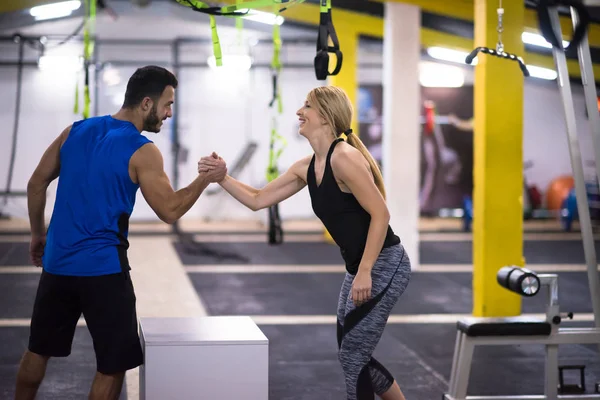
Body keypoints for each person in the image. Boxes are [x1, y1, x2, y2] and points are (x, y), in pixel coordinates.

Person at [15, 65, 226, 400]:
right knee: (111, 365)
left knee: (38, 349)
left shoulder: (75, 131)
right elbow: (170, 210)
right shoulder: (142, 149)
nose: (169, 113)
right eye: (167, 104)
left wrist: (38, 236)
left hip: (57, 265)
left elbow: (35, 184)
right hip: (104, 272)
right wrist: (206, 178)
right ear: (146, 103)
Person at [199, 86, 411, 400]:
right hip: (361, 266)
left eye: (307, 106)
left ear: (325, 117)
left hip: (384, 263)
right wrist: (222, 177)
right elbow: (258, 200)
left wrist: (365, 270)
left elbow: (381, 213)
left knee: (353, 355)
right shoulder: (306, 167)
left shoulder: (345, 159)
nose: (299, 112)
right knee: (353, 354)